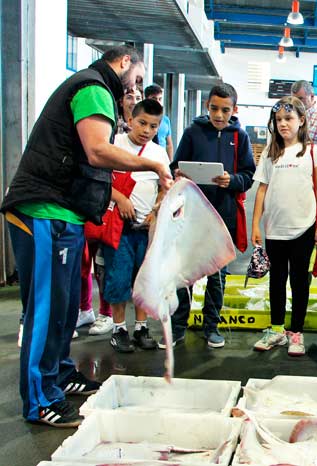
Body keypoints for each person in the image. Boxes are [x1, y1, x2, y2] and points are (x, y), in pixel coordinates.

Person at [1, 46, 172, 427]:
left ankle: (60, 375)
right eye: (138, 80)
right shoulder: (93, 87)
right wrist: (152, 163)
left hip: (67, 213)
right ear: (124, 63)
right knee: (45, 310)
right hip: (44, 211)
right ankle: (40, 399)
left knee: (64, 308)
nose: (137, 91)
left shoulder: (101, 93)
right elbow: (97, 151)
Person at [164, 83, 255, 350]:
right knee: (185, 272)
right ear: (207, 106)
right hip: (192, 213)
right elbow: (175, 166)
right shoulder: (193, 132)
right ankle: (178, 328)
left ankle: (211, 328)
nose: (219, 115)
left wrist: (232, 180)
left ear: (234, 110)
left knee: (217, 275)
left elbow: (249, 175)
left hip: (223, 216)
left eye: (225, 110)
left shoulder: (240, 137)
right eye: (214, 108)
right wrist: (180, 174)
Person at [252, 96, 317, 356]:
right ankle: (276, 330)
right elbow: (261, 190)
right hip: (274, 230)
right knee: (276, 280)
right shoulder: (271, 154)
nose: (283, 124)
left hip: (304, 228)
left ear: (302, 120)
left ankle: (296, 333)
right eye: (279, 119)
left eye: (289, 118)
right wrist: (256, 225)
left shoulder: (312, 152)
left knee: (299, 281)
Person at [103, 99, 170, 353]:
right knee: (118, 278)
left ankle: (141, 328)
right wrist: (119, 198)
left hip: (145, 231)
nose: (146, 131)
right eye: (142, 123)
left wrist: (155, 211)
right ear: (130, 119)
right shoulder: (114, 145)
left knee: (143, 279)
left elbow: (165, 188)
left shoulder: (158, 153)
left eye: (153, 126)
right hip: (118, 229)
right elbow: (98, 181)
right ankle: (119, 329)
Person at [144, 83, 174, 159]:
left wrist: (170, 165)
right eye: (154, 99)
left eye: (160, 99)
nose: (157, 102)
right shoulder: (141, 118)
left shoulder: (166, 120)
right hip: (145, 156)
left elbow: (169, 144)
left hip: (161, 157)